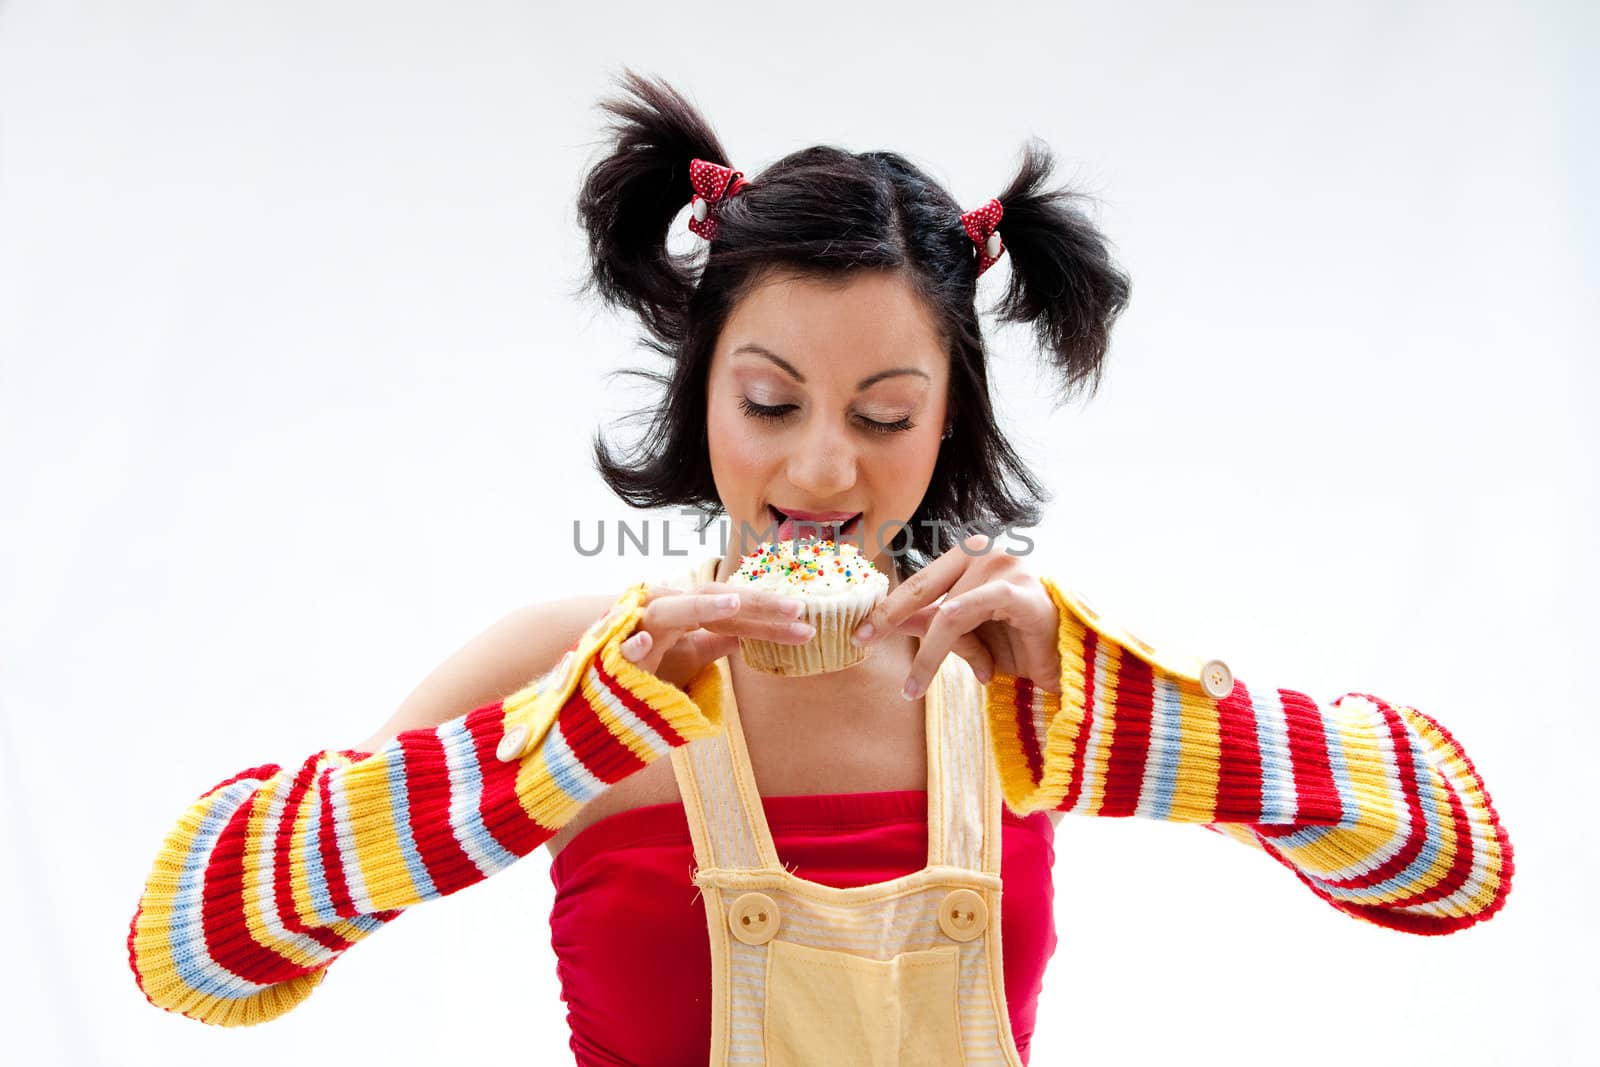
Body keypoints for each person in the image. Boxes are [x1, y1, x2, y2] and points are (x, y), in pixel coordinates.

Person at [125, 70, 1514, 1064]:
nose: (823, 474)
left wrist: (1125, 715)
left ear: (949, 418)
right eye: (773, 404)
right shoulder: (565, 665)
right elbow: (191, 947)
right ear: (703, 393)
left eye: (885, 415)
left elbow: (1446, 863)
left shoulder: (1023, 665)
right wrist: (560, 744)